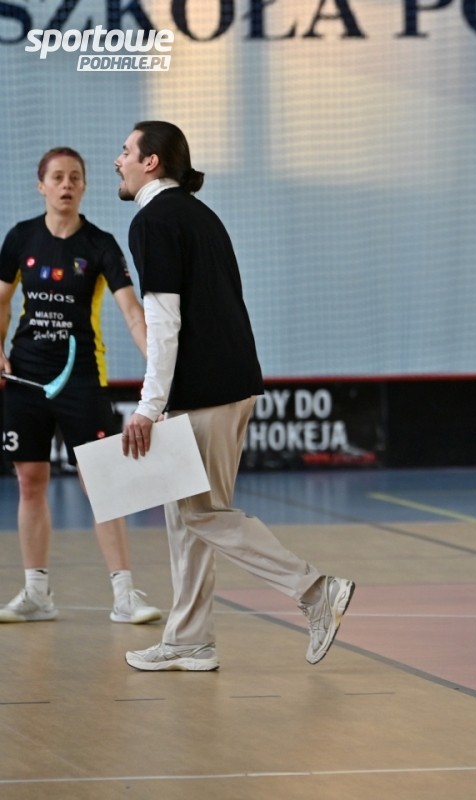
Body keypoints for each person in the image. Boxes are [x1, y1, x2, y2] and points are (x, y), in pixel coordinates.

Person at [114, 120, 354, 671]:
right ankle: (190, 640)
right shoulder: (199, 214)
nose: (118, 160)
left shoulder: (153, 220)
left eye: (126, 151)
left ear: (151, 161)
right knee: (187, 519)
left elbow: (164, 322)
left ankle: (316, 591)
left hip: (206, 394)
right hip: (227, 385)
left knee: (203, 515)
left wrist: (148, 406)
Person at [0, 147, 161, 625]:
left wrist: (159, 364)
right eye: (57, 177)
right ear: (41, 186)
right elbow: (2, 301)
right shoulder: (20, 238)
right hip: (26, 379)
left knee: (103, 486)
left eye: (75, 177)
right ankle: (37, 594)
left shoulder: (100, 245)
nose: (66, 185)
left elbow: (132, 313)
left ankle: (125, 596)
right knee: (30, 482)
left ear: (85, 186)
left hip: (83, 381)